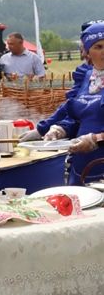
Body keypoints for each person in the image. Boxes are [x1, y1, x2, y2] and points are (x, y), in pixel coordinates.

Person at [28, 23, 104, 184]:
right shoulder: (86, 77)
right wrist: (60, 129)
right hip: (82, 165)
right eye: (98, 46)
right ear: (87, 52)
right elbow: (78, 116)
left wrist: (96, 139)